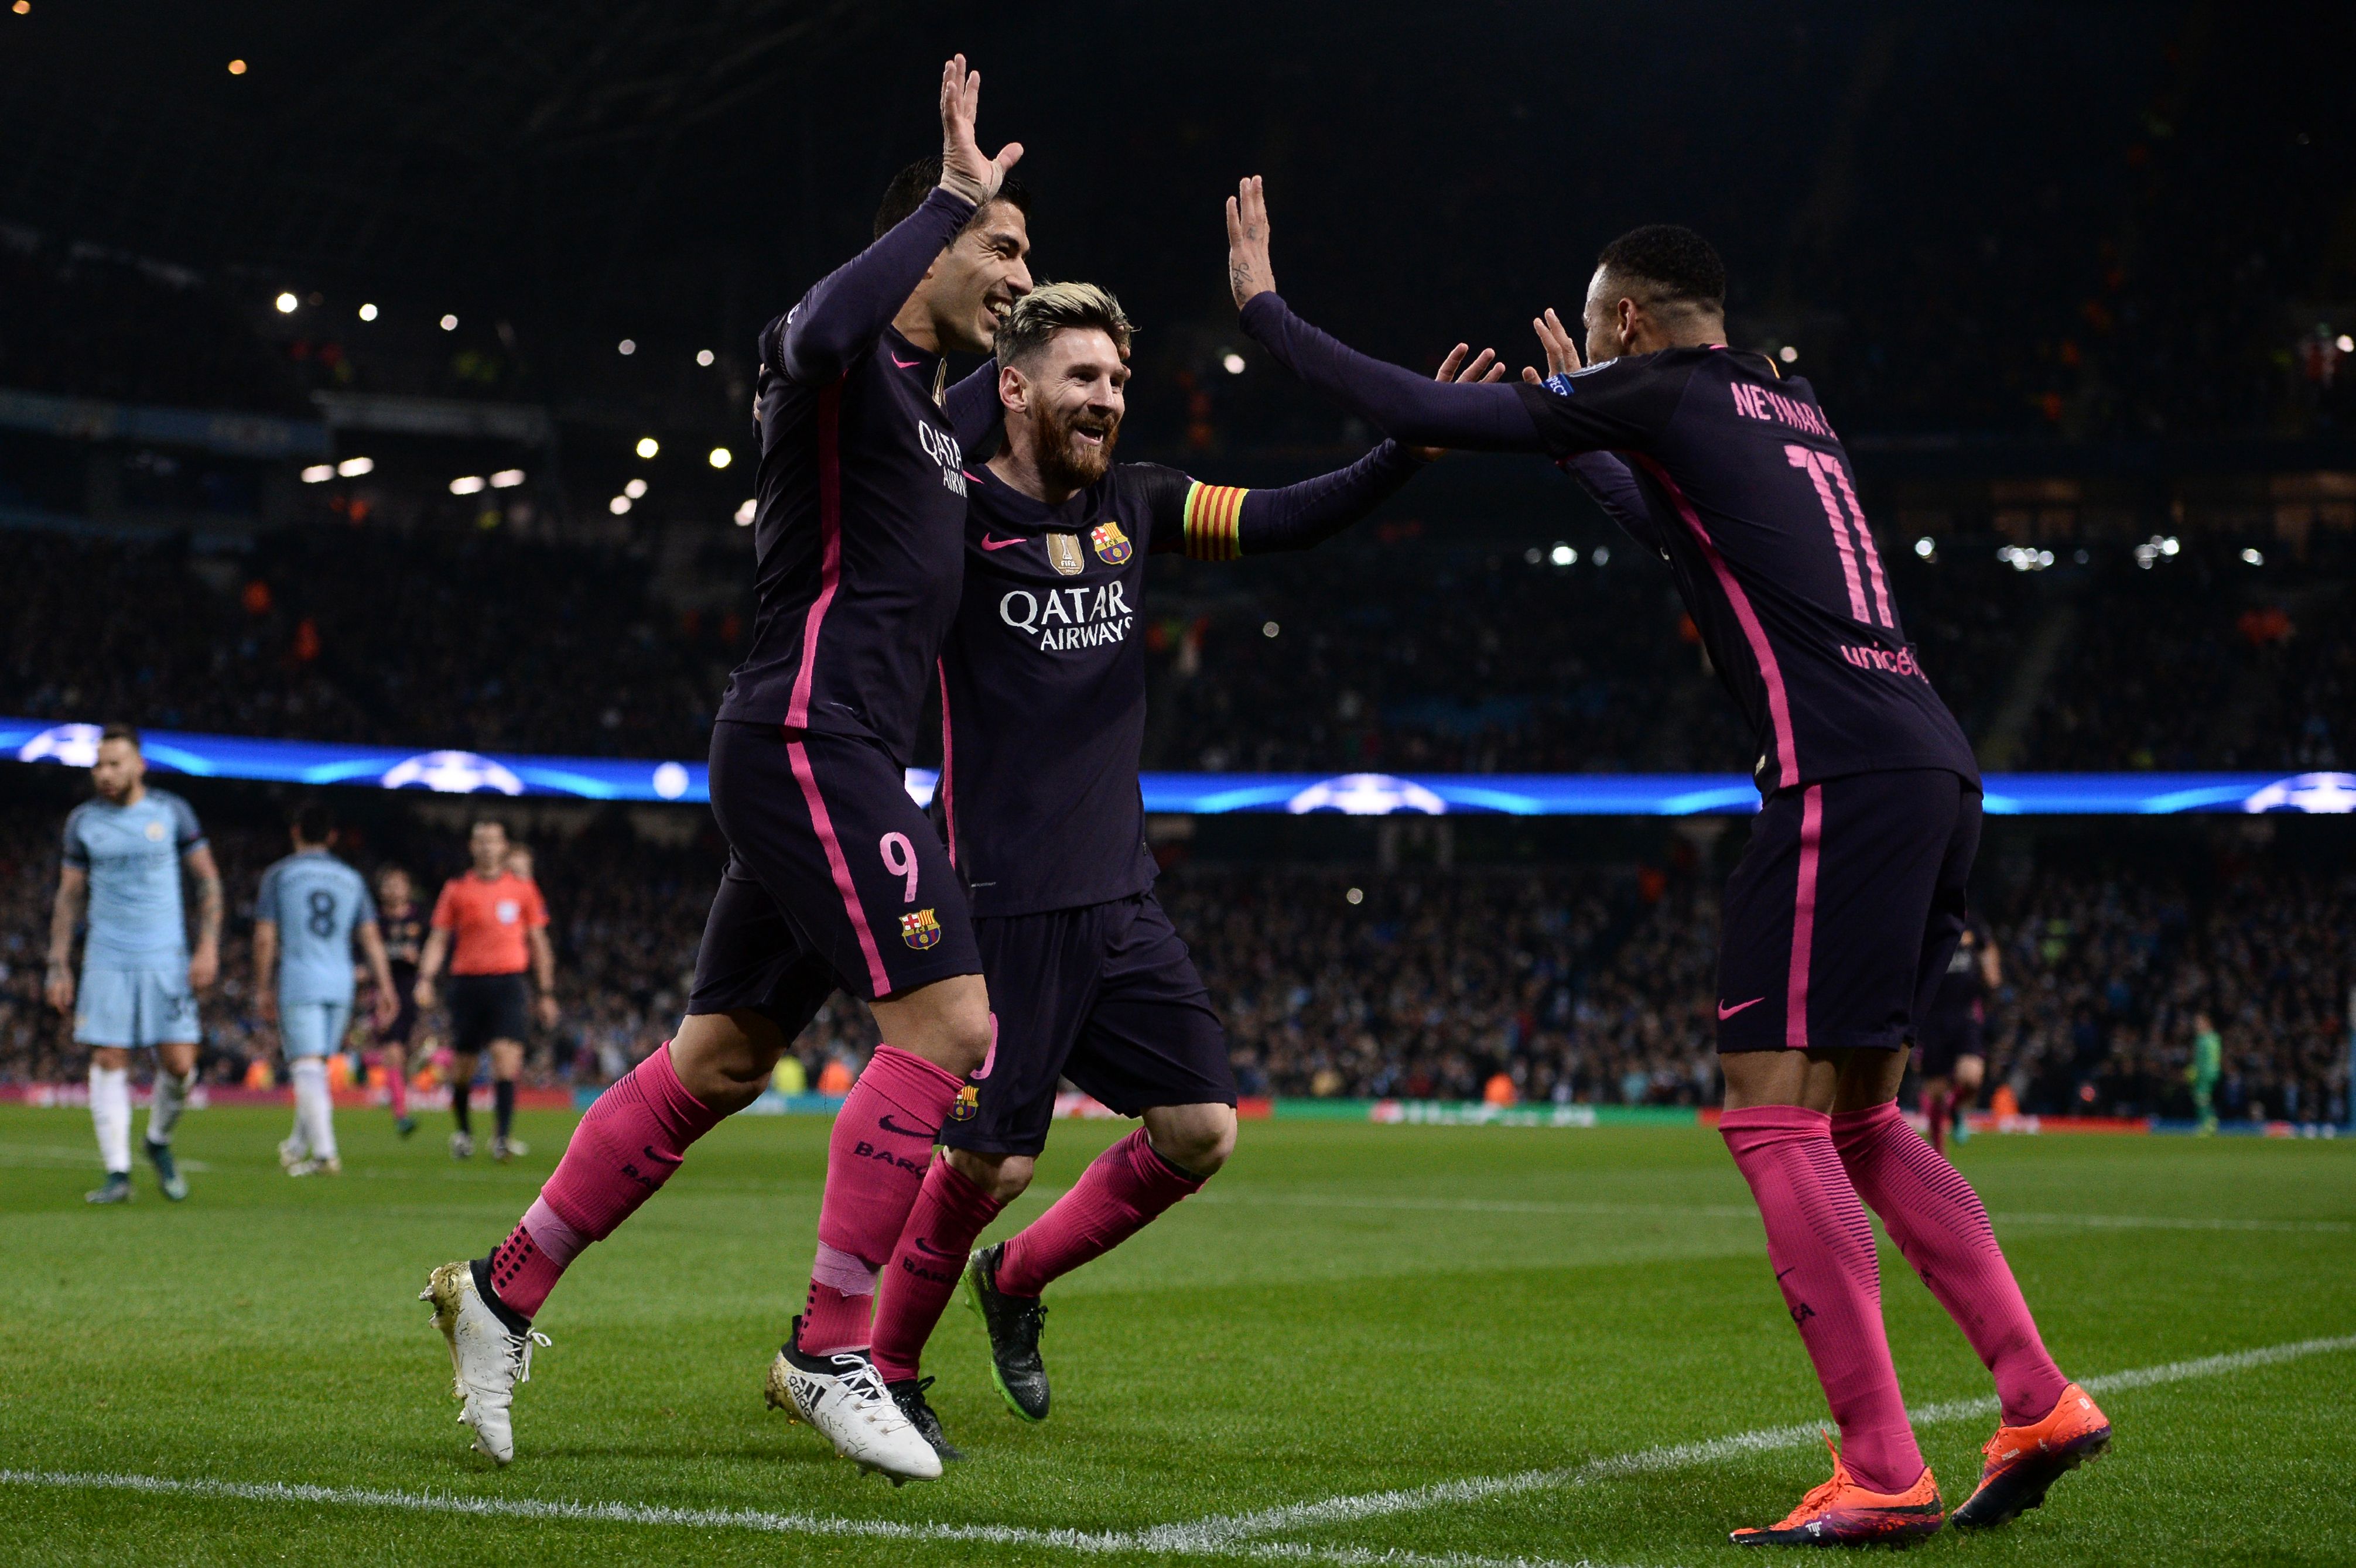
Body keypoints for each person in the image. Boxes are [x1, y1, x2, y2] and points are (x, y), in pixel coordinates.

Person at [1222, 179, 2109, 1543]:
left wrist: (1267, 311)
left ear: (1625, 320)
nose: (1581, 353)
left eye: (1591, 336)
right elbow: (1671, 525)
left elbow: (1427, 410)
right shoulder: (1778, 400)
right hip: (1929, 759)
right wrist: (1592, 426)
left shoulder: (1664, 388)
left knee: (1768, 1111)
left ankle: (1878, 1461)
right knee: (1862, 1117)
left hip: (1837, 777)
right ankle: (2035, 1393)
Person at [422, 56, 1028, 1481]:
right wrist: (947, 191)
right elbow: (811, 326)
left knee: (723, 1056)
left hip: (832, 755)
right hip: (807, 742)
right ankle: (830, 1346)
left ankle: (500, 1291)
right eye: (997, 244)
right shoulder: (838, 370)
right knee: (949, 1027)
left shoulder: (933, 424)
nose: (1013, 268)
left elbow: (1023, 402)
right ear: (927, 243)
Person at [859, 281, 1489, 1457]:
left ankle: (1015, 1280)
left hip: (1119, 895)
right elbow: (892, 456)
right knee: (989, 1157)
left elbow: (1291, 517)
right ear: (1014, 386)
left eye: (1115, 380)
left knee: (1200, 1128)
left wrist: (1408, 447)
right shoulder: (949, 512)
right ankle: (884, 1368)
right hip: (1002, 897)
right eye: (1081, 377)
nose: (1105, 399)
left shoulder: (1140, 505)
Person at [46, 724, 221, 1204]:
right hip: (107, 955)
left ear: (139, 765)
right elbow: (68, 896)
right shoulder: (83, 822)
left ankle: (158, 1140)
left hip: (166, 956)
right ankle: (118, 1172)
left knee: (181, 1065)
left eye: (114, 763)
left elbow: (207, 881)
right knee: (108, 1058)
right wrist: (58, 962)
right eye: (98, 764)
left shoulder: (171, 812)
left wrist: (207, 947)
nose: (104, 773)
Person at [255, 803, 398, 1176]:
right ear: (332, 837)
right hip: (341, 981)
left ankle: (324, 1155)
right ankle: (299, 1144)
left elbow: (265, 937)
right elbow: (370, 936)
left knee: (306, 1065)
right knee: (316, 1067)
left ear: (296, 831)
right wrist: (385, 986)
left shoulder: (280, 876)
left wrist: (262, 986)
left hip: (300, 977)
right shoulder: (351, 878)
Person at [412, 818, 556, 1162]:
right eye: (480, 840)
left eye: (493, 840)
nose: (487, 846)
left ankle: (502, 1138)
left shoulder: (523, 890)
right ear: (471, 847)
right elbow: (439, 938)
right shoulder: (457, 890)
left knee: (507, 1061)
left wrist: (546, 991)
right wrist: (426, 978)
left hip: (509, 982)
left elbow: (539, 941)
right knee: (464, 1066)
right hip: (467, 984)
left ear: (504, 846)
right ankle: (463, 1132)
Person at [1916, 916, 1997, 1155]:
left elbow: (1988, 945)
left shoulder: (1971, 925)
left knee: (1972, 1078)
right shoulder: (1924, 922)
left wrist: (1992, 970)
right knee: (1936, 1092)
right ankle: (1939, 1155)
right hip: (1932, 1015)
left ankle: (1955, 1108)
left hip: (1965, 1014)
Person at [374, 865, 428, 1137]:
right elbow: (364, 955)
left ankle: (398, 1096)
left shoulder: (420, 919)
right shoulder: (374, 922)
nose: (393, 890)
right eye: (388, 884)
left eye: (398, 884)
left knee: (407, 1052)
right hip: (384, 993)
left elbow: (432, 951)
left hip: (413, 992)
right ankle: (401, 1115)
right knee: (392, 1050)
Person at [2190, 1011, 2222, 1135]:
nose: (2197, 1025)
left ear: (2207, 1023)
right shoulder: (2212, 1038)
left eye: (2199, 1022)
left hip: (2206, 1073)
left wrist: (2198, 1072)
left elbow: (2206, 1059)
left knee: (2201, 1098)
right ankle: (2208, 1123)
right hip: (2209, 1072)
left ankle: (2207, 1124)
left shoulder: (2206, 1039)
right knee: (2202, 1098)